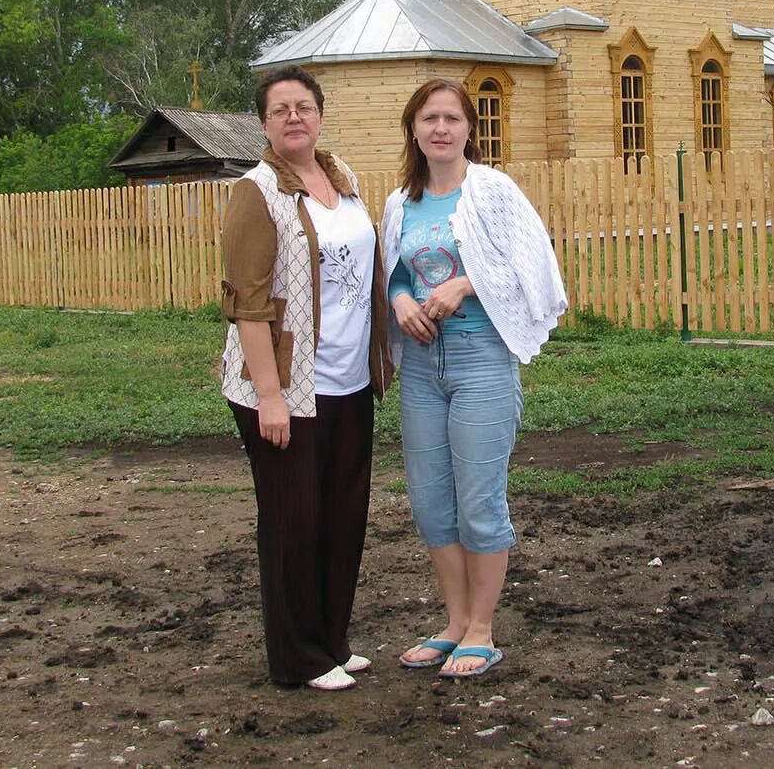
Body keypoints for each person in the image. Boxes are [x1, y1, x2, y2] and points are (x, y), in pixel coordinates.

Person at [381, 79, 567, 678]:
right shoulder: (399, 203)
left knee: (479, 500)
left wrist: (467, 284)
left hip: (482, 360)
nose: (441, 128)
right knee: (433, 502)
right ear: (413, 128)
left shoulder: (493, 193)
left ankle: (483, 629)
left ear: (469, 128)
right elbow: (393, 272)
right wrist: (401, 298)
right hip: (422, 372)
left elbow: (534, 268)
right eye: (430, 118)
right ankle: (455, 622)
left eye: (452, 118)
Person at [220, 64, 392, 692]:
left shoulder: (342, 180)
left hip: (347, 384)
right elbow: (247, 302)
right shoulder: (257, 192)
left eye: (304, 106)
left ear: (319, 114)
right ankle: (297, 657)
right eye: (279, 109)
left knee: (343, 514)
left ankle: (332, 641)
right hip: (287, 390)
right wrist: (270, 397)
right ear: (264, 124)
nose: (294, 117)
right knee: (294, 520)